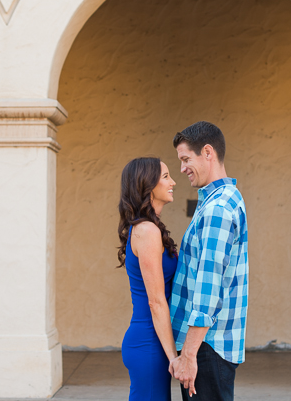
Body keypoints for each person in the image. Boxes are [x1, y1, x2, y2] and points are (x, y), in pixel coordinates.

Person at [168, 121, 249, 401]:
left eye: (186, 159)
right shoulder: (226, 199)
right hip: (210, 345)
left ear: (207, 152)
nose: (182, 168)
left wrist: (189, 355)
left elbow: (208, 288)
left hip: (206, 347)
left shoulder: (216, 209)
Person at [119, 157, 180, 401]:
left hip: (151, 341)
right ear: (147, 185)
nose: (173, 182)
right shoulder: (147, 231)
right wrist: (174, 356)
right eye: (166, 176)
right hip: (149, 344)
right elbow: (156, 301)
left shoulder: (147, 228)